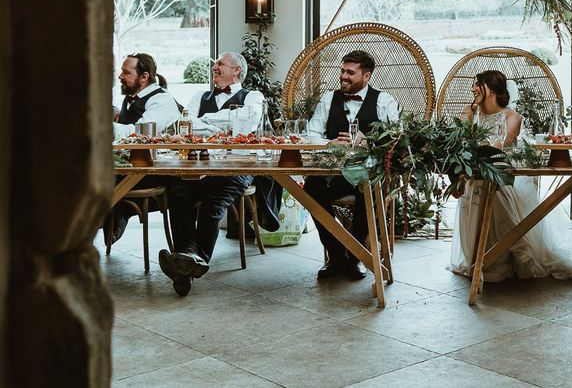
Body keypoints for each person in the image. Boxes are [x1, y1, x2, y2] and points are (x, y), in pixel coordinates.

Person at [450, 71, 572, 282]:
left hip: (502, 174)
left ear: (490, 89)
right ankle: (476, 257)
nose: (473, 89)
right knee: (476, 187)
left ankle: (504, 255)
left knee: (499, 195)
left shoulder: (512, 117)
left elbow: (500, 147)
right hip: (474, 175)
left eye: (477, 85)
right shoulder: (468, 112)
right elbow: (461, 141)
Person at [157, 51, 283, 297]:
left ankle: (191, 262)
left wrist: (206, 122)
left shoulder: (253, 96)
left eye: (221, 63)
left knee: (213, 203)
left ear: (237, 71)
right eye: (215, 64)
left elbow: (247, 123)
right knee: (177, 192)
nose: (214, 67)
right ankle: (188, 260)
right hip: (199, 166)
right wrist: (224, 126)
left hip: (238, 167)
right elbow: (186, 125)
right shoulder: (199, 96)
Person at [304, 50, 399, 280]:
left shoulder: (384, 101)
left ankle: (356, 257)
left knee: (367, 189)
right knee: (311, 190)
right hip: (333, 173)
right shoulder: (329, 99)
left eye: (350, 72)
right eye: (342, 71)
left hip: (367, 172)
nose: (343, 76)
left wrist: (369, 141)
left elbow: (397, 137)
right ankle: (336, 255)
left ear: (366, 77)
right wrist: (330, 143)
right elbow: (310, 134)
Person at [107, 53, 179, 244]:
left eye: (126, 72)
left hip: (155, 170)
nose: (120, 76)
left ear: (144, 76)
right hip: (128, 166)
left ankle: (113, 215)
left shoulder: (161, 101)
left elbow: (139, 136)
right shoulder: (130, 98)